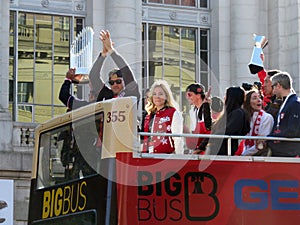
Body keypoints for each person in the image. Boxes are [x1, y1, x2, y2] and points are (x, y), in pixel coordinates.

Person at [89, 30, 140, 103]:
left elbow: (126, 70)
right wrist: (103, 54)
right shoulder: (107, 94)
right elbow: (93, 76)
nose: (115, 84)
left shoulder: (131, 92)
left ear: (124, 81)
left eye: (118, 81)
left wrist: (111, 50)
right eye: (111, 83)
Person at [264, 72, 300, 157]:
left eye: (273, 86)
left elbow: (292, 130)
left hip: (289, 153)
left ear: (279, 86)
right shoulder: (286, 102)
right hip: (281, 151)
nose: (273, 91)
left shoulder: (295, 103)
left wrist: (271, 138)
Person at [142, 80, 184, 154]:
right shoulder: (149, 115)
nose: (157, 96)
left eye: (160, 94)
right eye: (154, 94)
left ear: (166, 96)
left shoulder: (173, 112)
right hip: (148, 156)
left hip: (166, 156)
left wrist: (179, 158)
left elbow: (177, 138)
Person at [207, 86, 250, 155]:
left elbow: (229, 130)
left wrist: (214, 136)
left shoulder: (238, 113)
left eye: (226, 95)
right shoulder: (228, 114)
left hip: (227, 151)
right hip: (219, 150)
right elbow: (212, 126)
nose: (224, 97)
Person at [235, 89, 274, 156]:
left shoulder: (267, 117)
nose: (259, 100)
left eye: (259, 97)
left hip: (260, 156)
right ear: (248, 102)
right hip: (245, 155)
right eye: (254, 98)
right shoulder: (245, 118)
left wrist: (244, 155)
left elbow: (262, 143)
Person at [185, 83, 212, 154]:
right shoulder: (192, 110)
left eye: (189, 94)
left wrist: (200, 148)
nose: (187, 97)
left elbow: (209, 130)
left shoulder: (208, 109)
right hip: (196, 147)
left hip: (206, 148)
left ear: (198, 95)